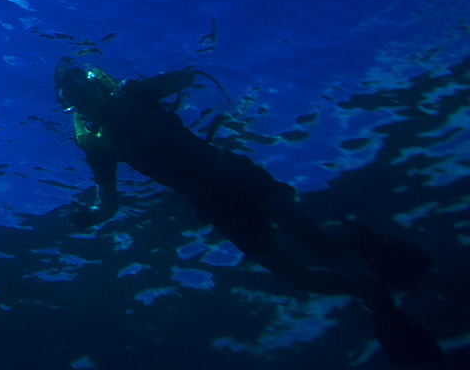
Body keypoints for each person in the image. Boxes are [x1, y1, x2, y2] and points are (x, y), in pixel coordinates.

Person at [55, 60, 442, 366]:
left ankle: (358, 236)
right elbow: (109, 203)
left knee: (322, 246)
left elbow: (187, 78)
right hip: (213, 203)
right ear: (68, 105)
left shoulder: (134, 97)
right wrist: (91, 217)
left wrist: (146, 87)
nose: (78, 96)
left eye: (79, 86)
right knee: (300, 277)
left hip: (233, 172)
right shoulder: (97, 146)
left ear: (94, 83)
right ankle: (373, 296)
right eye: (68, 95)